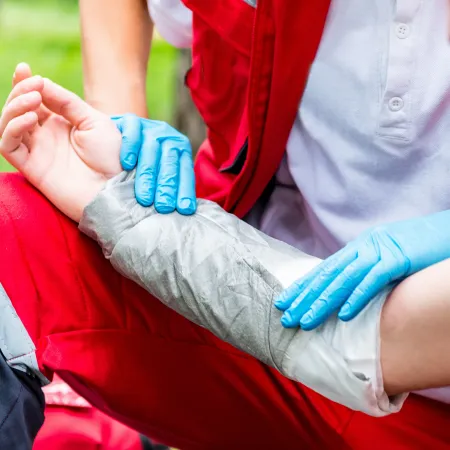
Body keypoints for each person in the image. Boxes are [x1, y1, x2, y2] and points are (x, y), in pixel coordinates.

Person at [1, 69, 450, 449]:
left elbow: (348, 342)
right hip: (271, 353)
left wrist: (127, 215)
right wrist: (121, 173)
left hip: (385, 377)